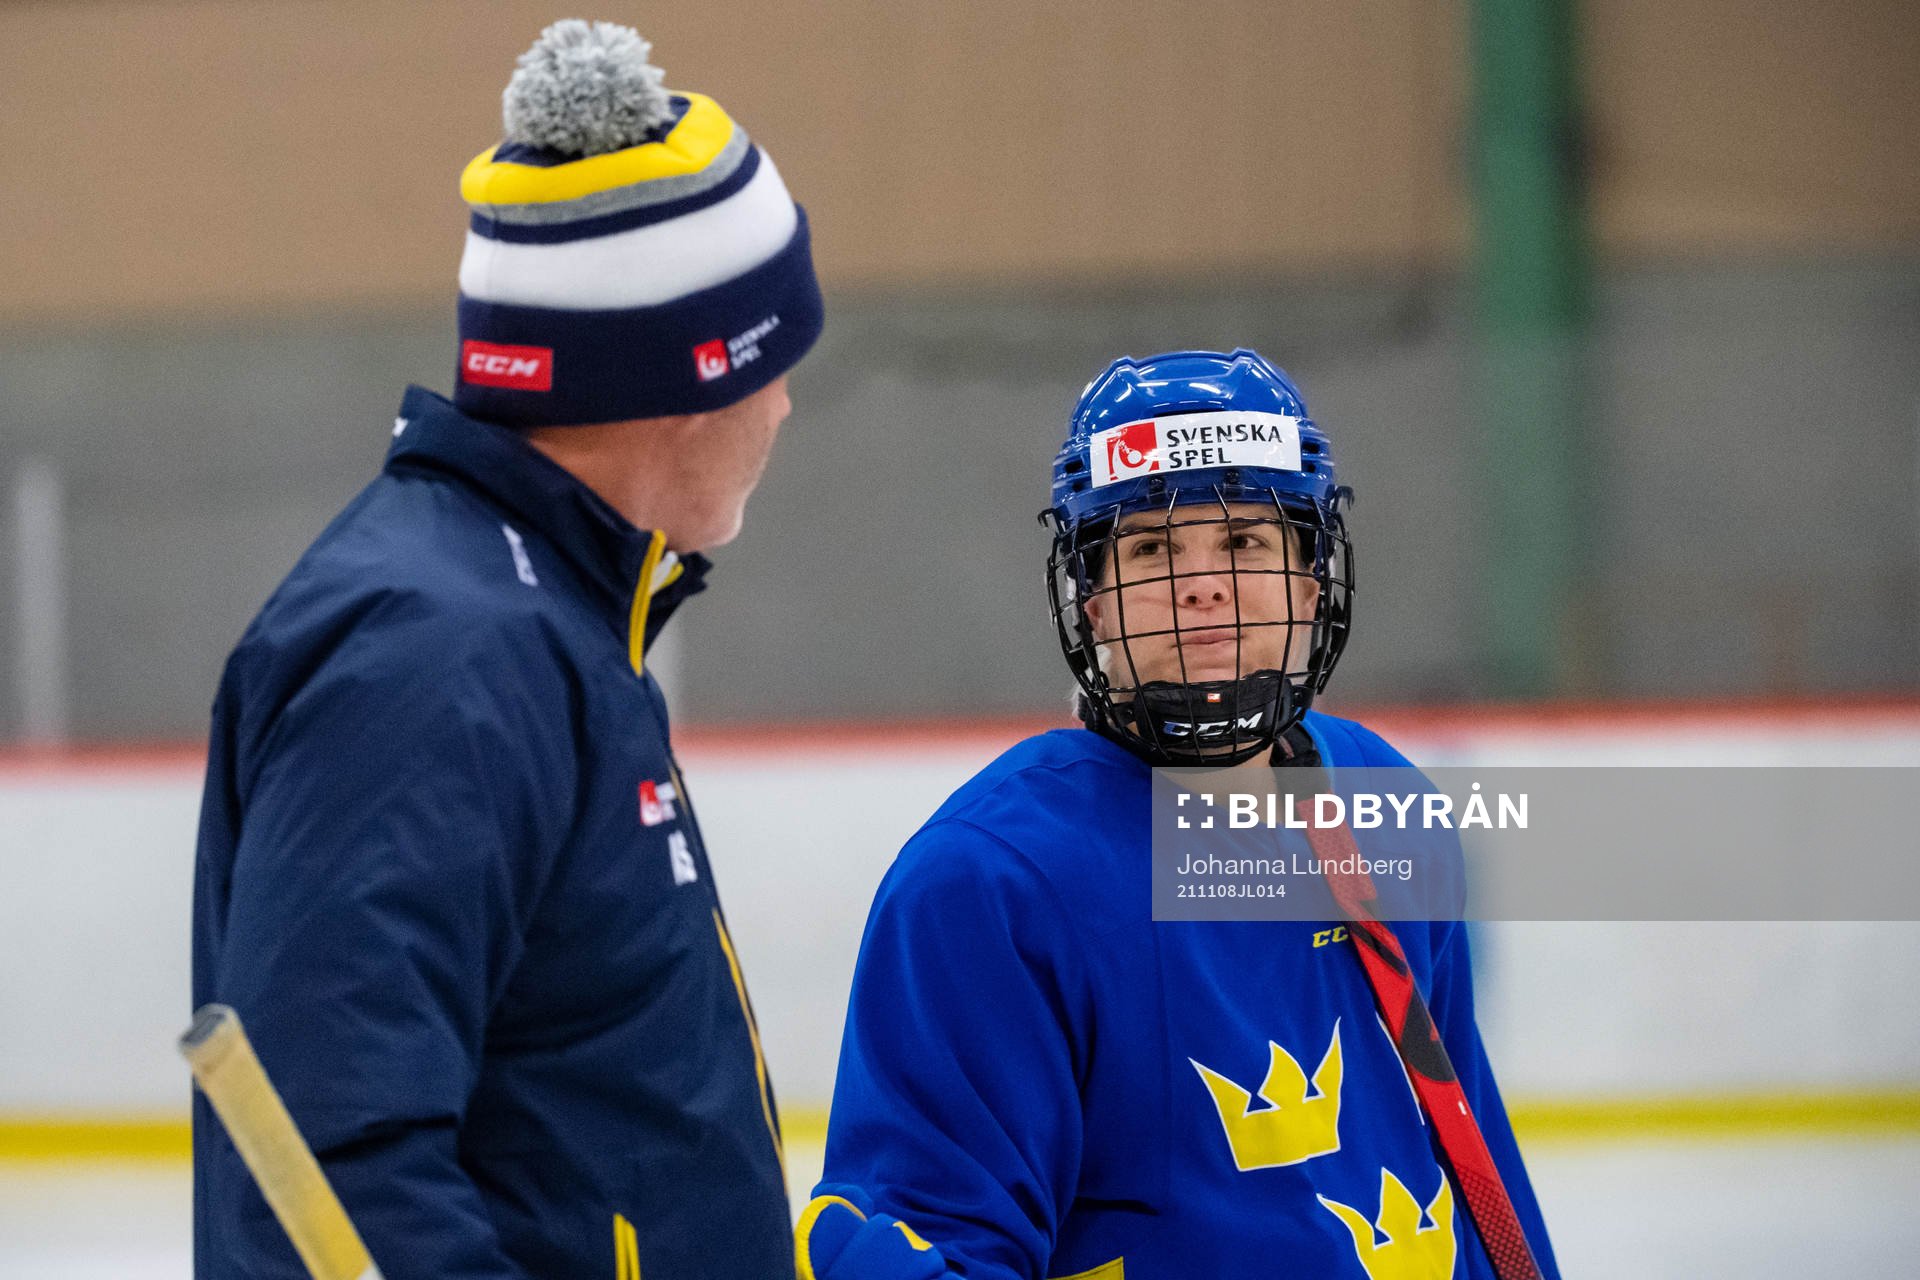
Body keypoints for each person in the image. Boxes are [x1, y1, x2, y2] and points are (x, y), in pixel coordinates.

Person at [192, 20, 822, 1278]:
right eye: (776, 361)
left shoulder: (540, 620)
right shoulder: (441, 652)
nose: (788, 404)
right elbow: (323, 1168)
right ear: (690, 375)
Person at [797, 350, 1559, 1280]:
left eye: (1243, 543)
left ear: (1312, 587)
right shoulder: (989, 882)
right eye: (1153, 549)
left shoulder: (1384, 797)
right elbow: (919, 1233)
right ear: (1094, 605)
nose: (1201, 585)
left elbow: (1465, 1145)